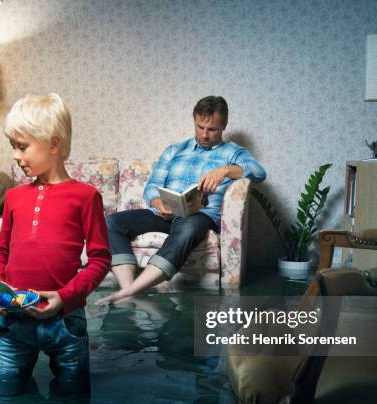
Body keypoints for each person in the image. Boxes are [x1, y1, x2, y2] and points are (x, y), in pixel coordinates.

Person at [0, 93, 111, 395]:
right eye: (13, 146)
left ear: (54, 144)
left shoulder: (86, 196)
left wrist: (65, 298)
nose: (16, 155)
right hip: (14, 320)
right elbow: (2, 251)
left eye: (22, 146)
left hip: (65, 322)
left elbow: (99, 260)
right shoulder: (14, 197)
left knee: (73, 397)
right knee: (5, 391)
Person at [97, 96, 266, 304]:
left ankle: (131, 291)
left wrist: (226, 170)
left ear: (224, 125)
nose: (204, 134)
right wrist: (158, 203)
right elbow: (152, 186)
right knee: (111, 222)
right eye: (199, 127)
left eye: (211, 129)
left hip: (198, 216)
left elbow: (259, 173)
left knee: (187, 229)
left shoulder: (232, 152)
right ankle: (128, 289)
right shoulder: (174, 150)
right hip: (164, 214)